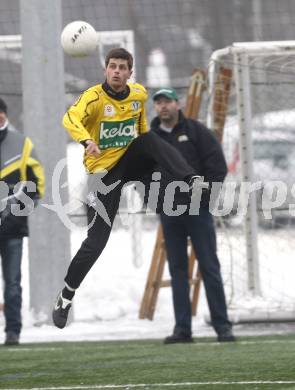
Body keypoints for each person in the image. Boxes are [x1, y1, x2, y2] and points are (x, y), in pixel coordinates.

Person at [52, 48, 200, 329]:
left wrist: (147, 152)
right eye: (112, 67)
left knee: (149, 140)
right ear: (105, 70)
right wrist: (86, 142)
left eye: (122, 67)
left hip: (130, 162)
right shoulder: (93, 98)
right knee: (96, 243)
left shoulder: (138, 95)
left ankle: (190, 181)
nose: (117, 71)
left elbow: (141, 127)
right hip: (102, 175)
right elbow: (69, 119)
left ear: (130, 73)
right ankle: (66, 295)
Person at [151, 88, 235, 344]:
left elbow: (217, 167)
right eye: (159, 103)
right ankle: (182, 330)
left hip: (197, 210)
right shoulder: (150, 138)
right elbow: (141, 174)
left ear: (179, 104)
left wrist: (206, 198)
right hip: (170, 212)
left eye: (168, 101)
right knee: (177, 270)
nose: (163, 106)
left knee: (209, 266)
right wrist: (156, 201)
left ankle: (222, 326)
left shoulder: (198, 132)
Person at [0, 97, 45, 345]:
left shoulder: (22, 144)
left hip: (12, 229)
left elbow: (36, 185)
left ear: (5, 115)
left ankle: (12, 332)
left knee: (13, 283)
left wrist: (18, 209)